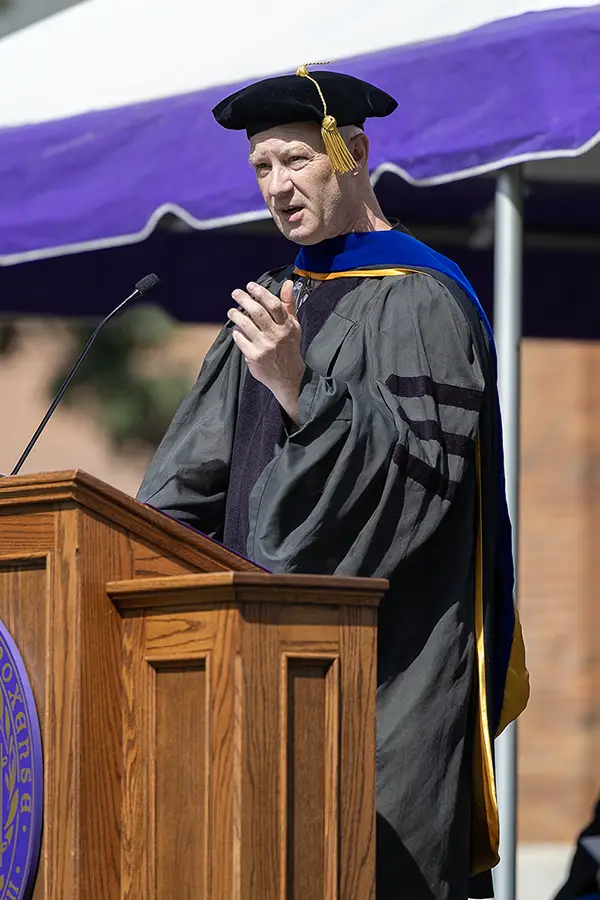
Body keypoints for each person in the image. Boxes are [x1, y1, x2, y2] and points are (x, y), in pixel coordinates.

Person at [137, 65, 530, 899]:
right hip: (254, 686)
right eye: (261, 169)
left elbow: (409, 494)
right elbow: (184, 494)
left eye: (295, 161)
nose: (277, 187)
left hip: (376, 690)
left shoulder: (421, 302)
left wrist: (296, 387)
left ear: (351, 154)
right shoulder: (281, 303)